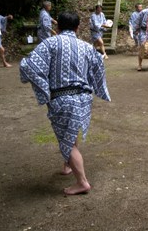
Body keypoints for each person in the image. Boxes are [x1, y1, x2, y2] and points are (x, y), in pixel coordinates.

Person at [20, 11, 111, 195]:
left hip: (62, 99)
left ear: (58, 27)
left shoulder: (50, 43)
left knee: (66, 141)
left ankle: (82, 182)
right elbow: (98, 67)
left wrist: (44, 88)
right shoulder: (86, 46)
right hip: (84, 99)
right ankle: (68, 165)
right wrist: (97, 88)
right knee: (71, 130)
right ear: (78, 28)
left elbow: (30, 67)